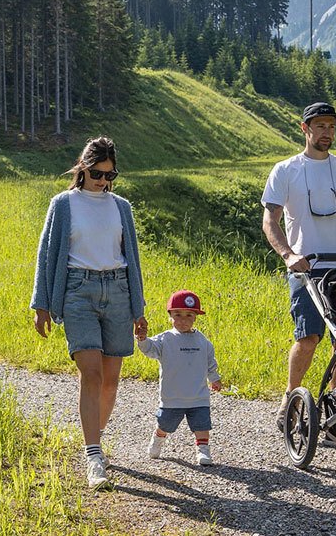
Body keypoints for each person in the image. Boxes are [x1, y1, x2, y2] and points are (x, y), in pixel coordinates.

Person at [31, 136, 148, 490]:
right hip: (77, 292)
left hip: (117, 292)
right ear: (82, 168)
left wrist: (138, 308)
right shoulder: (63, 204)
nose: (104, 181)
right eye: (97, 173)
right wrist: (41, 304)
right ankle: (94, 454)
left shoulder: (121, 207)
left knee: (112, 379)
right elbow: (46, 253)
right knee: (92, 373)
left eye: (110, 175)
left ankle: (94, 438)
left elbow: (133, 260)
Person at [261, 102, 336, 442]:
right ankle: (291, 398)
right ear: (304, 128)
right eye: (319, 126)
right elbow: (271, 220)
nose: (326, 132)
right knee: (308, 338)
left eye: (331, 126)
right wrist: (288, 255)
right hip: (306, 270)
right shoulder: (286, 170)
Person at [136, 289, 222, 466]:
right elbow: (149, 349)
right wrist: (142, 339)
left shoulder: (203, 342)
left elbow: (210, 362)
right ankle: (159, 437)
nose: (183, 320)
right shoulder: (165, 339)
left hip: (198, 397)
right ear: (170, 316)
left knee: (202, 425)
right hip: (172, 398)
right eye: (178, 315)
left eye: (189, 315)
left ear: (196, 317)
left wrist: (214, 378)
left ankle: (203, 450)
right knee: (165, 424)